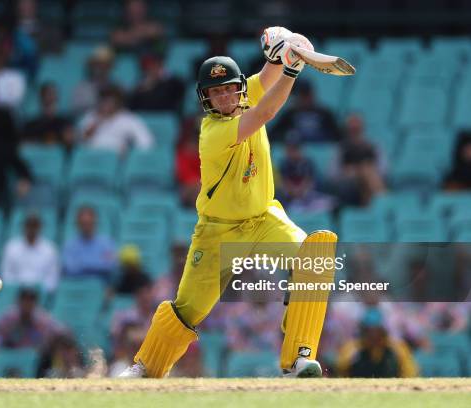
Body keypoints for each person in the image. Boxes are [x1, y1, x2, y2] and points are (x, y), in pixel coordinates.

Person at [120, 27, 338, 379]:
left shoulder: (245, 93)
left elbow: (268, 76)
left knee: (315, 258)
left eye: (228, 89)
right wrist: (293, 68)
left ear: (238, 88)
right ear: (205, 98)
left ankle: (299, 358)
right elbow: (266, 112)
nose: (223, 98)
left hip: (263, 219)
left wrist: (281, 51)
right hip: (218, 232)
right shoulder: (213, 132)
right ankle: (145, 367)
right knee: (189, 309)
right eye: (215, 92)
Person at [337, 308, 418, 377]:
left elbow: (410, 373)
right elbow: (340, 371)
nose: (373, 336)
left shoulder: (397, 348)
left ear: (383, 332)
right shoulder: (352, 348)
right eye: (369, 332)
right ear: (363, 332)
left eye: (377, 332)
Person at [78, 86, 154, 155]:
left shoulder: (129, 119)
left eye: (110, 101)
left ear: (118, 102)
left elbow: (146, 143)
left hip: (116, 162)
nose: (106, 104)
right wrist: (94, 125)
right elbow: (78, 142)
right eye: (103, 100)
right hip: (90, 159)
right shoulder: (90, 116)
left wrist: (130, 153)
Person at [1, 214, 59, 294]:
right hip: (16, 295)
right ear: (23, 226)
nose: (31, 229)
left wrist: (39, 290)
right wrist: (18, 289)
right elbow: (6, 275)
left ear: (40, 227)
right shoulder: (11, 247)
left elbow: (52, 279)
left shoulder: (50, 249)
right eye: (29, 225)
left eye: (34, 225)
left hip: (40, 295)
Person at [335, 114, 386, 206]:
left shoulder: (372, 146)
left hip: (369, 180)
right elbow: (332, 174)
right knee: (366, 171)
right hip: (349, 183)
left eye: (357, 128)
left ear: (362, 128)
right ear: (347, 130)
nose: (355, 131)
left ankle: (371, 208)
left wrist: (363, 170)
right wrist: (351, 172)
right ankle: (383, 202)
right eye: (352, 129)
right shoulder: (342, 149)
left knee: (367, 171)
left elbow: (383, 169)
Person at [0, 287, 66, 349]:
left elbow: (62, 331)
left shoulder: (42, 318)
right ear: (18, 301)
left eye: (30, 301)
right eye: (24, 300)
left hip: (36, 358)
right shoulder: (9, 317)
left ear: (35, 303)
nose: (27, 304)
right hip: (13, 355)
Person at [270, 80, 341, 143]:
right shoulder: (290, 113)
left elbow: (337, 136)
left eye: (307, 95)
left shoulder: (324, 113)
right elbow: (274, 133)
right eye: (302, 96)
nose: (305, 99)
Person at [61, 207, 117, 284]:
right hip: (77, 285)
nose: (86, 226)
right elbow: (70, 268)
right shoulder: (70, 245)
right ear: (77, 224)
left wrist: (83, 266)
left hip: (102, 285)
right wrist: (97, 267)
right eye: (83, 223)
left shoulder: (107, 243)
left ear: (95, 223)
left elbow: (110, 265)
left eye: (89, 223)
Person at [22, 82, 75, 150]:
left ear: (57, 97)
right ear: (41, 97)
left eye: (53, 94)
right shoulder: (31, 125)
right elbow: (24, 146)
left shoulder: (66, 124)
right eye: (47, 94)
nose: (50, 97)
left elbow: (71, 143)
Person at [71, 45, 116, 115]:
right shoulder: (81, 88)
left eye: (104, 64)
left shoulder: (116, 87)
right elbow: (77, 112)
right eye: (98, 64)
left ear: (109, 67)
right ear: (92, 66)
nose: (101, 68)